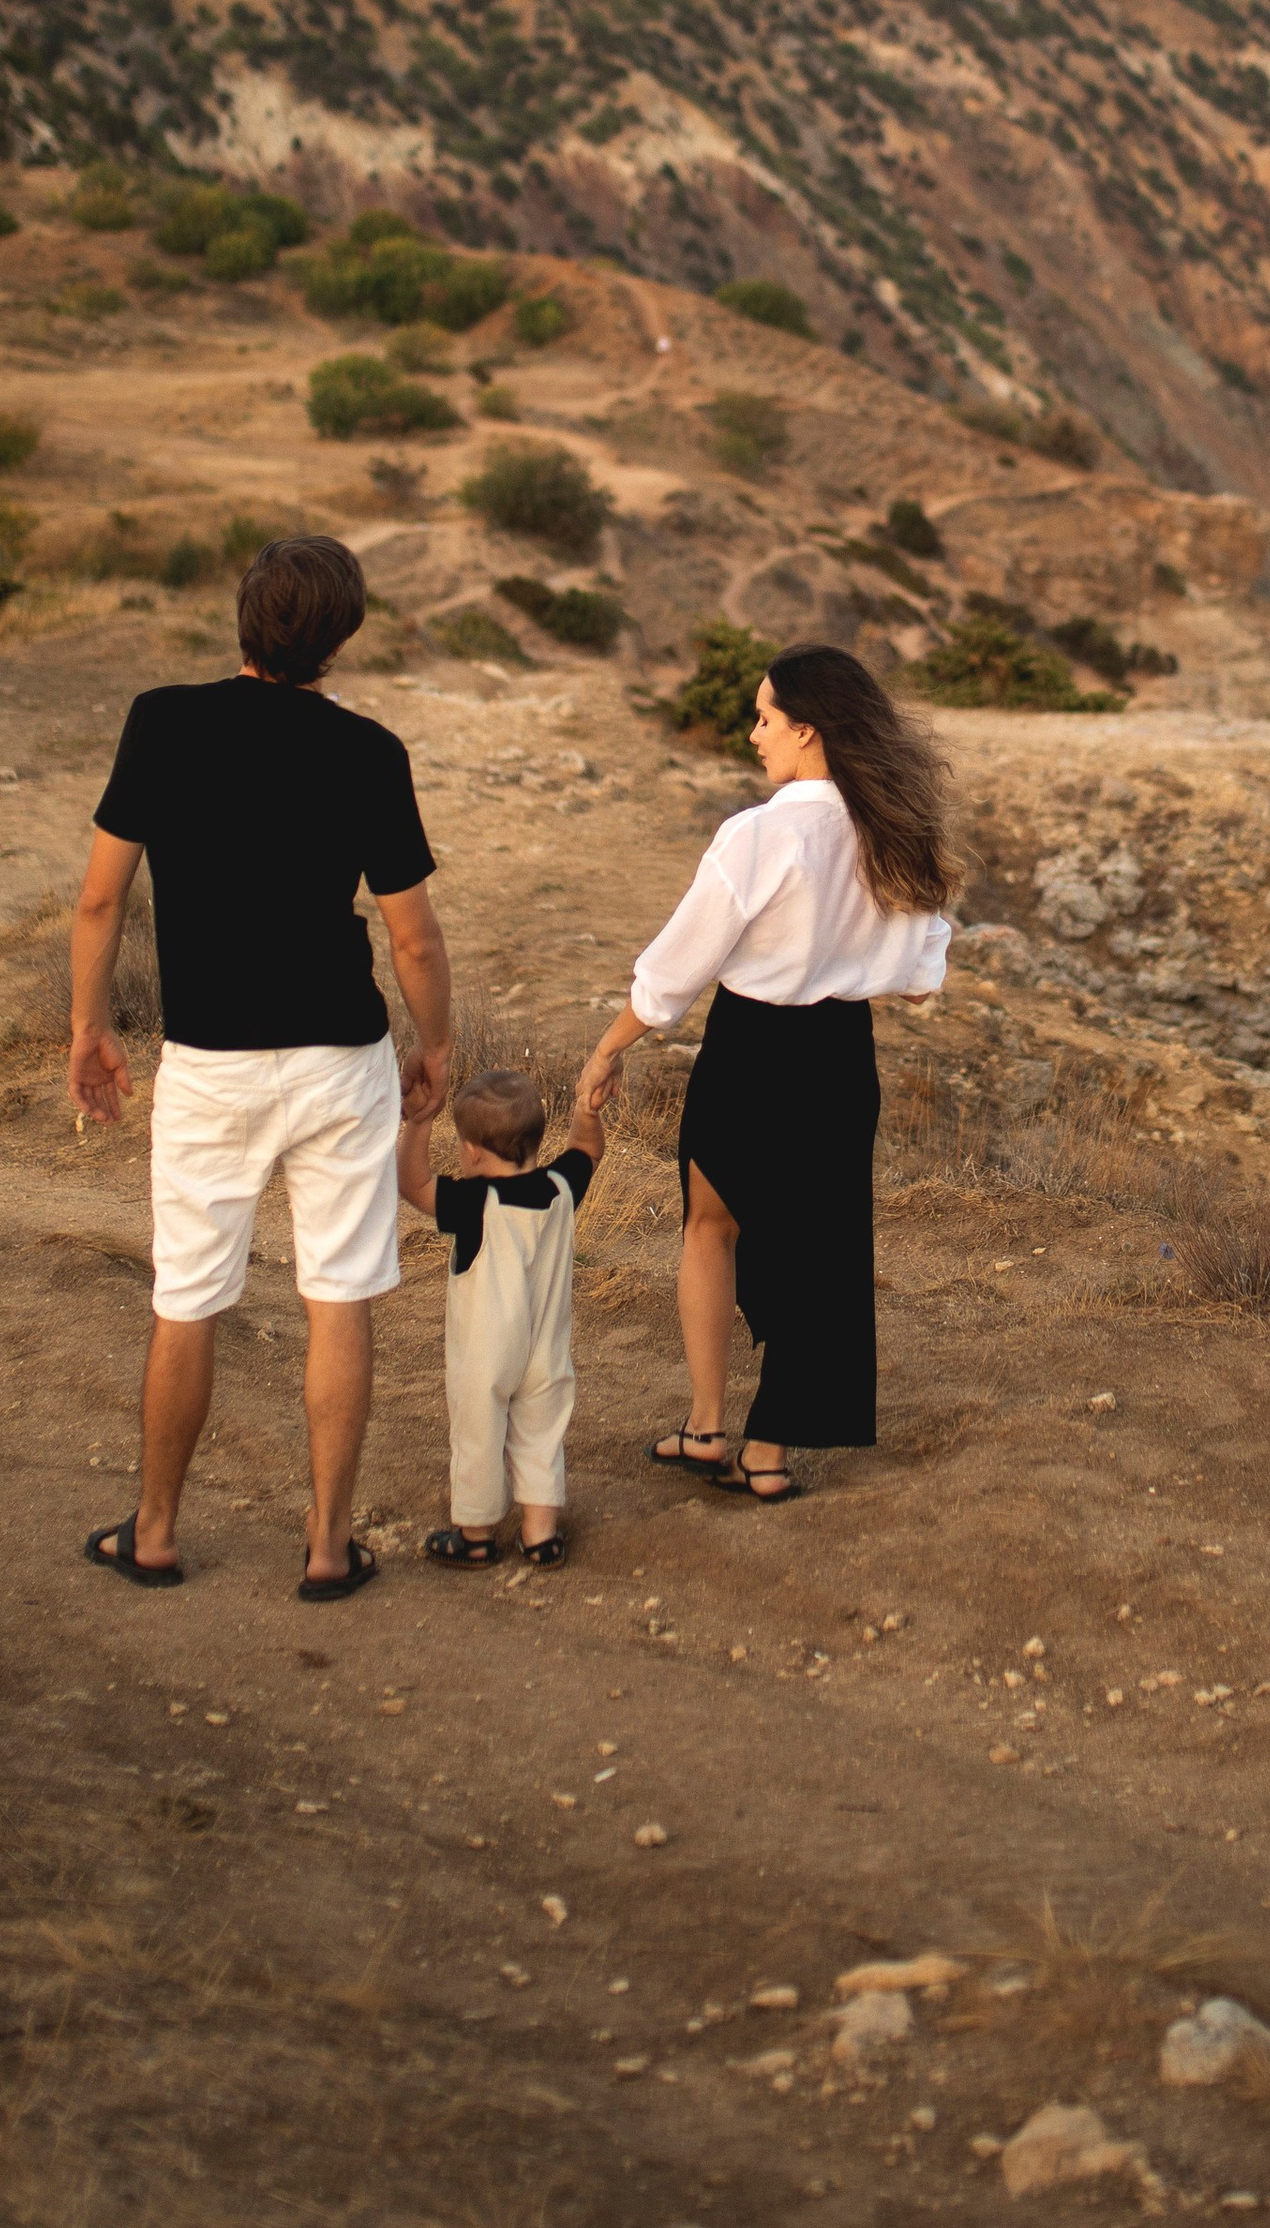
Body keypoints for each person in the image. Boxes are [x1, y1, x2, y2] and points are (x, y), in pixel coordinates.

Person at [68, 533, 451, 1599]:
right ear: (341, 638)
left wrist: (87, 1026)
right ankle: (328, 1548)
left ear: (243, 618)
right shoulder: (369, 752)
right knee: (339, 1296)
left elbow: (101, 898)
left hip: (210, 1064)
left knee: (187, 1297)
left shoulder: (162, 721)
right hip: (340, 1058)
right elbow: (412, 937)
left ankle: (153, 1533)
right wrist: (438, 1045)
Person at [576, 643, 954, 1499]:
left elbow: (677, 969)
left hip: (752, 1051)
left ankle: (706, 1426)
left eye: (765, 718)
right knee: (819, 1249)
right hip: (839, 1058)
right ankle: (770, 1454)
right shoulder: (892, 831)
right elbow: (923, 981)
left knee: (711, 1228)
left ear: (809, 730)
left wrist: (608, 1048)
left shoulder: (760, 832)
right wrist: (842, 956)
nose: (754, 735)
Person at [398, 1065, 600, 1570]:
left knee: (478, 1433)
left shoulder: (476, 1203)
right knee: (541, 1429)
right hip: (545, 1347)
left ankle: (477, 1533)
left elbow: (413, 1184)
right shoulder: (559, 1188)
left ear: (469, 1150)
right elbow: (587, 1150)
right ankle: (540, 1535)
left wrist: (418, 1123)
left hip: (487, 1352)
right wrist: (586, 1110)